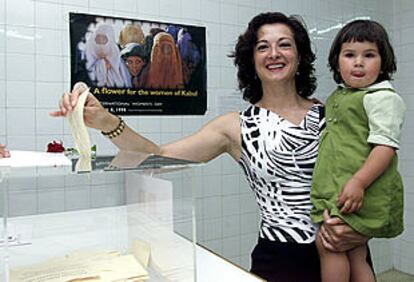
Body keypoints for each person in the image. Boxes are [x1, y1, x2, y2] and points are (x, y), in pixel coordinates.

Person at [51, 12, 369, 282]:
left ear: (299, 56)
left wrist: (363, 232)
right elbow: (156, 155)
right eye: (263, 47)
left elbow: (373, 178)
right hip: (281, 259)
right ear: (252, 59)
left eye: (284, 44)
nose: (274, 53)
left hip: (347, 252)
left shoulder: (333, 115)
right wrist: (107, 120)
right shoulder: (235, 127)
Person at [310, 20, 406, 282]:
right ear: (337, 62)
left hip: (362, 189)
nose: (358, 63)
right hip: (347, 188)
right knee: (355, 252)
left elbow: (385, 147)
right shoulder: (343, 96)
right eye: (350, 55)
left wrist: (358, 182)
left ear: (383, 62)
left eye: (369, 55)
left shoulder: (382, 98)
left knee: (329, 244)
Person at [84, 23, 128, 87]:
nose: (101, 44)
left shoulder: (117, 59)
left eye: (104, 40)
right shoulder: (88, 56)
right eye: (98, 39)